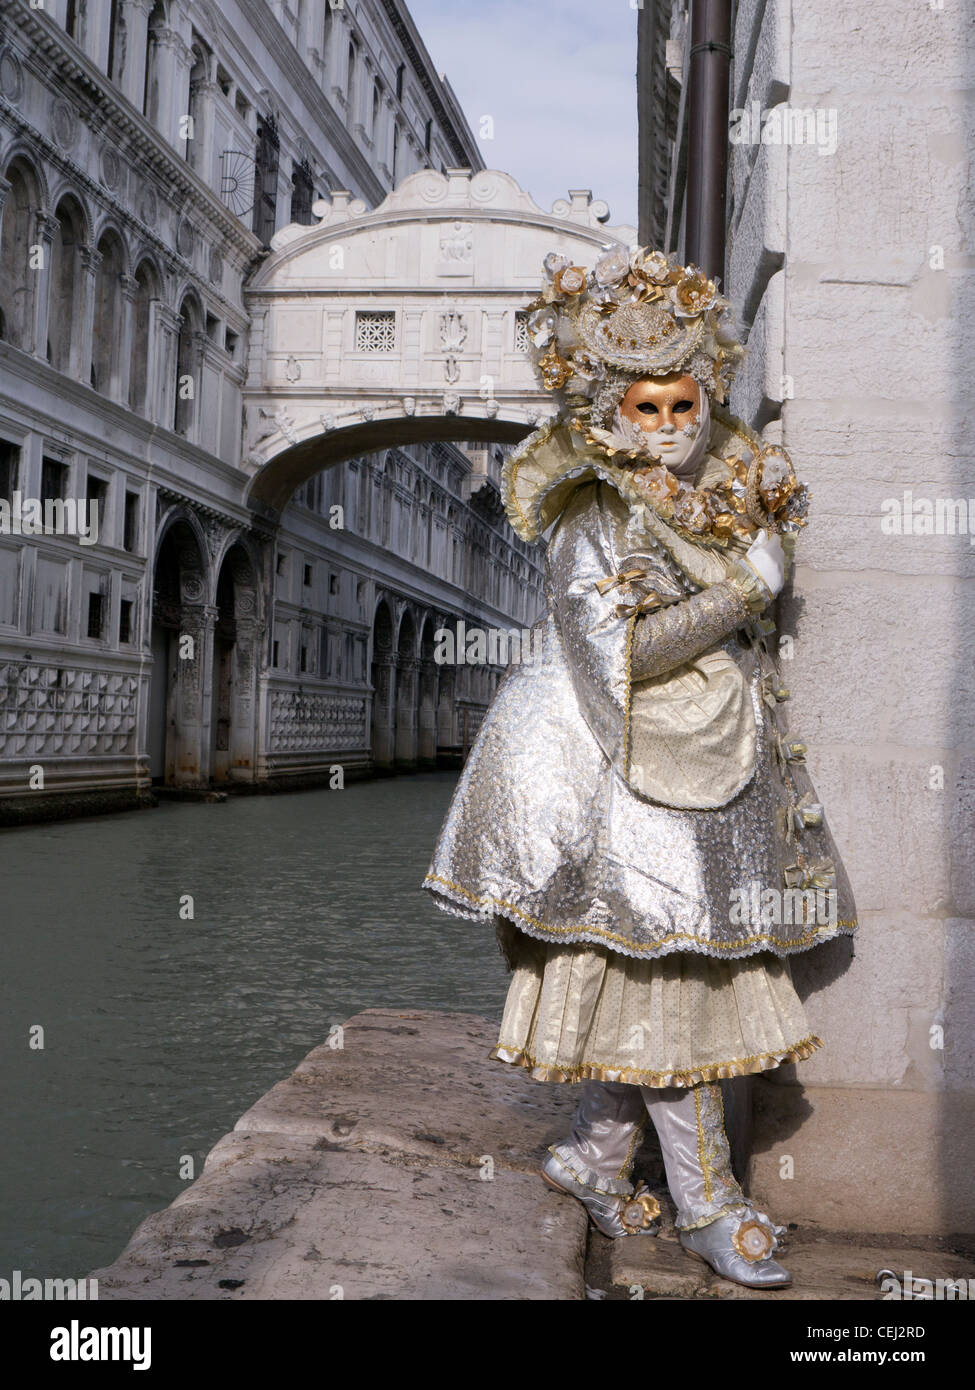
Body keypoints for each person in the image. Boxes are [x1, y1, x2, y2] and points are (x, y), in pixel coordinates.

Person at [422, 246, 857, 1289]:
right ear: (614, 411)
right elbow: (613, 654)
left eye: (684, 404)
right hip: (627, 786)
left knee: (660, 977)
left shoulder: (717, 493)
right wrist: (743, 594)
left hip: (704, 776)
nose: (669, 426)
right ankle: (707, 1201)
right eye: (647, 408)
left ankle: (592, 1154)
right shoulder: (591, 511)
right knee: (670, 976)